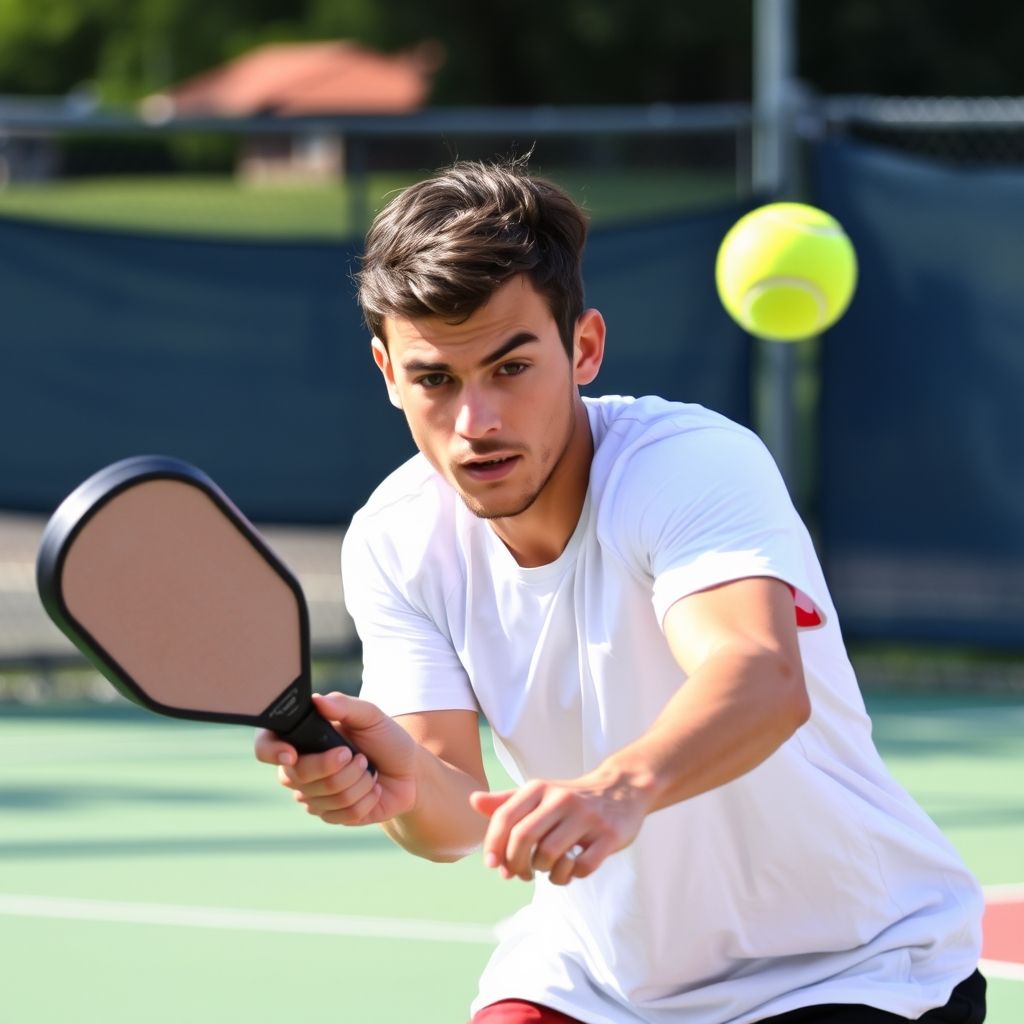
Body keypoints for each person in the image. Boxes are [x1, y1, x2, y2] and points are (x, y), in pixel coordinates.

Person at [254, 158, 987, 1024]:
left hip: (850, 967)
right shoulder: (396, 538)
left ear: (584, 348)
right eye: (435, 380)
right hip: (598, 984)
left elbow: (760, 674)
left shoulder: (686, 464)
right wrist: (397, 779)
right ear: (387, 372)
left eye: (510, 368)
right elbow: (451, 820)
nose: (475, 423)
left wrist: (615, 790)